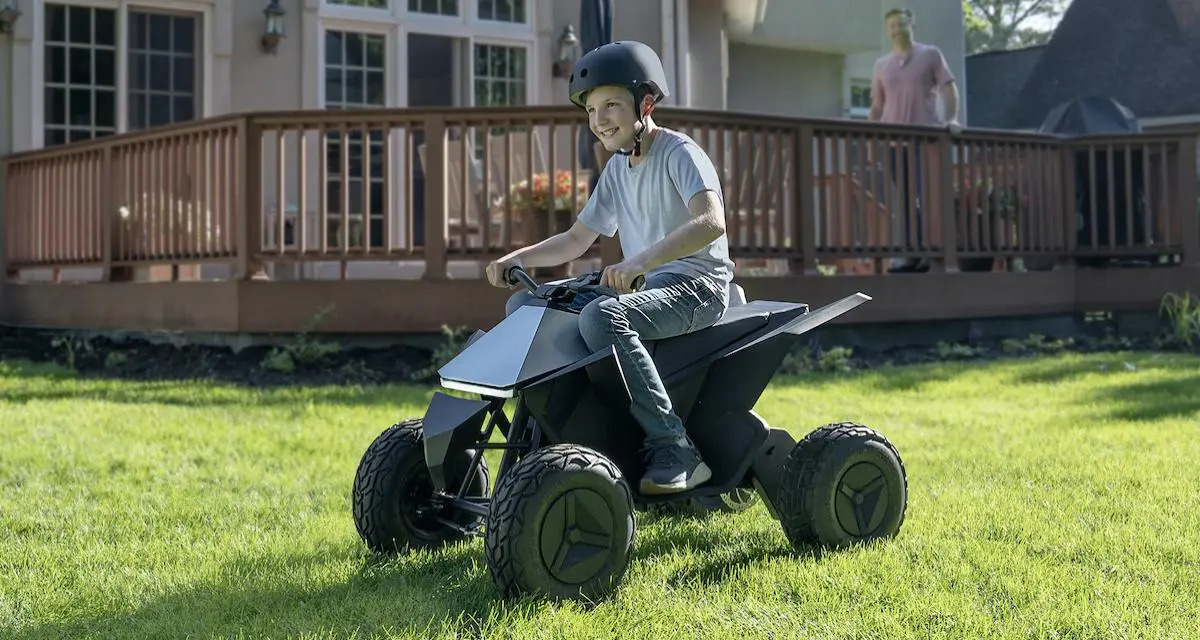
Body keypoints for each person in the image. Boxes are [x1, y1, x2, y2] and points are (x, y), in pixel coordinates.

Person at [484, 40, 734, 496]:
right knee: (526, 303)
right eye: (592, 110)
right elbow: (578, 239)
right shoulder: (619, 169)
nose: (600, 121)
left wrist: (640, 260)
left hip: (698, 286)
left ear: (646, 103)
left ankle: (676, 448)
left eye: (612, 105)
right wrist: (520, 258)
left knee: (602, 316)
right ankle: (547, 438)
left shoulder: (679, 153)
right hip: (646, 284)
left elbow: (712, 222)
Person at [869, 7, 961, 273]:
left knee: (925, 198)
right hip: (893, 144)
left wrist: (951, 119)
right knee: (904, 201)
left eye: (901, 24)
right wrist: (869, 137)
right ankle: (909, 256)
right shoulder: (882, 65)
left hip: (925, 141)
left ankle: (929, 254)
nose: (897, 30)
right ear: (888, 32)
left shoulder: (930, 55)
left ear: (912, 25)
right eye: (892, 27)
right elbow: (877, 106)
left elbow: (948, 87)